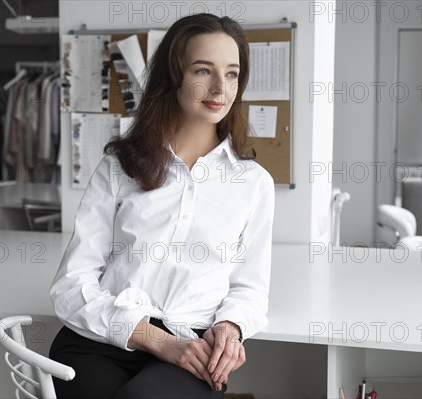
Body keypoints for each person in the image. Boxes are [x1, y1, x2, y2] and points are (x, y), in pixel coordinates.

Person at [49, 13, 275, 399]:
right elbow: (71, 284)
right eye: (204, 70)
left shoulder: (253, 184)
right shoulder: (119, 167)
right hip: (101, 338)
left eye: (233, 73)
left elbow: (250, 289)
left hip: (194, 346)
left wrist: (231, 327)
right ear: (173, 76)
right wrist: (156, 340)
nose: (221, 87)